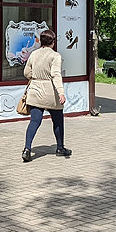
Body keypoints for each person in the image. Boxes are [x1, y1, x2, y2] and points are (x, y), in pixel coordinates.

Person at [21, 29, 71, 162]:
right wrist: (61, 92)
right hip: (50, 93)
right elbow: (56, 74)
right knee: (58, 121)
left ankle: (27, 149)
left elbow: (26, 72)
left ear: (41, 42)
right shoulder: (55, 56)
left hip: (35, 92)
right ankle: (60, 148)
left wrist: (36, 77)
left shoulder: (34, 54)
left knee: (34, 121)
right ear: (53, 42)